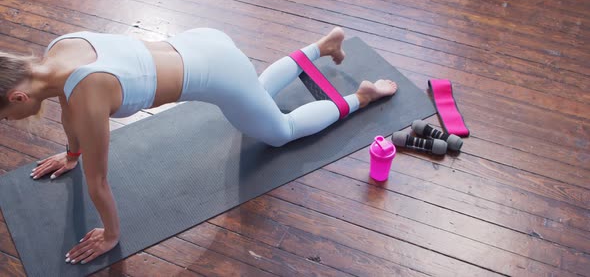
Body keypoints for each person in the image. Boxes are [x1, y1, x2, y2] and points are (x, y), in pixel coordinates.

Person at [0, 27, 397, 264]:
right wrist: (72, 155)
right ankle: (324, 46)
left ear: (17, 97)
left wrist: (111, 234)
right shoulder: (58, 49)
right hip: (201, 41)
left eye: (3, 116)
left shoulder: (88, 89)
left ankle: (362, 96)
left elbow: (100, 180)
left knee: (278, 131)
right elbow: (69, 111)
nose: (7, 122)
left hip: (219, 71)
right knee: (251, 90)